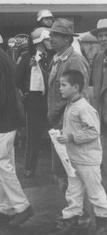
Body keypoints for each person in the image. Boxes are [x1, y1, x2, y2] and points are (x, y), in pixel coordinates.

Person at [0, 22, 34, 227]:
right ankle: (6, 208)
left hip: (2, 121)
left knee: (0, 163)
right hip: (10, 118)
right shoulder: (1, 57)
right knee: (5, 162)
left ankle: (22, 206)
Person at [52, 70, 107, 235]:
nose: (60, 88)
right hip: (74, 159)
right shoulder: (70, 104)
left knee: (95, 192)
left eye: (63, 85)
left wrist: (70, 137)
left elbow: (93, 131)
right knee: (73, 191)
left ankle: (103, 221)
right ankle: (71, 219)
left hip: (88, 160)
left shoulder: (84, 108)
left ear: (75, 87)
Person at [48, 19, 90, 192]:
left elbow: (79, 94)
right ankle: (72, 213)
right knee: (61, 171)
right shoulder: (56, 59)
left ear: (67, 39)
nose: (51, 38)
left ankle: (83, 216)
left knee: (75, 171)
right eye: (51, 34)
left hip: (69, 123)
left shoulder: (75, 61)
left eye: (56, 35)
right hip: (57, 122)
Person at [15, 27, 53, 178]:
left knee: (57, 135)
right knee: (33, 137)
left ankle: (61, 168)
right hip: (34, 102)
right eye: (48, 40)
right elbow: (16, 79)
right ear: (39, 41)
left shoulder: (54, 56)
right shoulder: (26, 56)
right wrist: (25, 92)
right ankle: (29, 167)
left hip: (50, 101)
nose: (51, 42)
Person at [90, 18, 107, 192]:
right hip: (101, 114)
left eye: (105, 35)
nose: (103, 39)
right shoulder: (98, 57)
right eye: (100, 36)